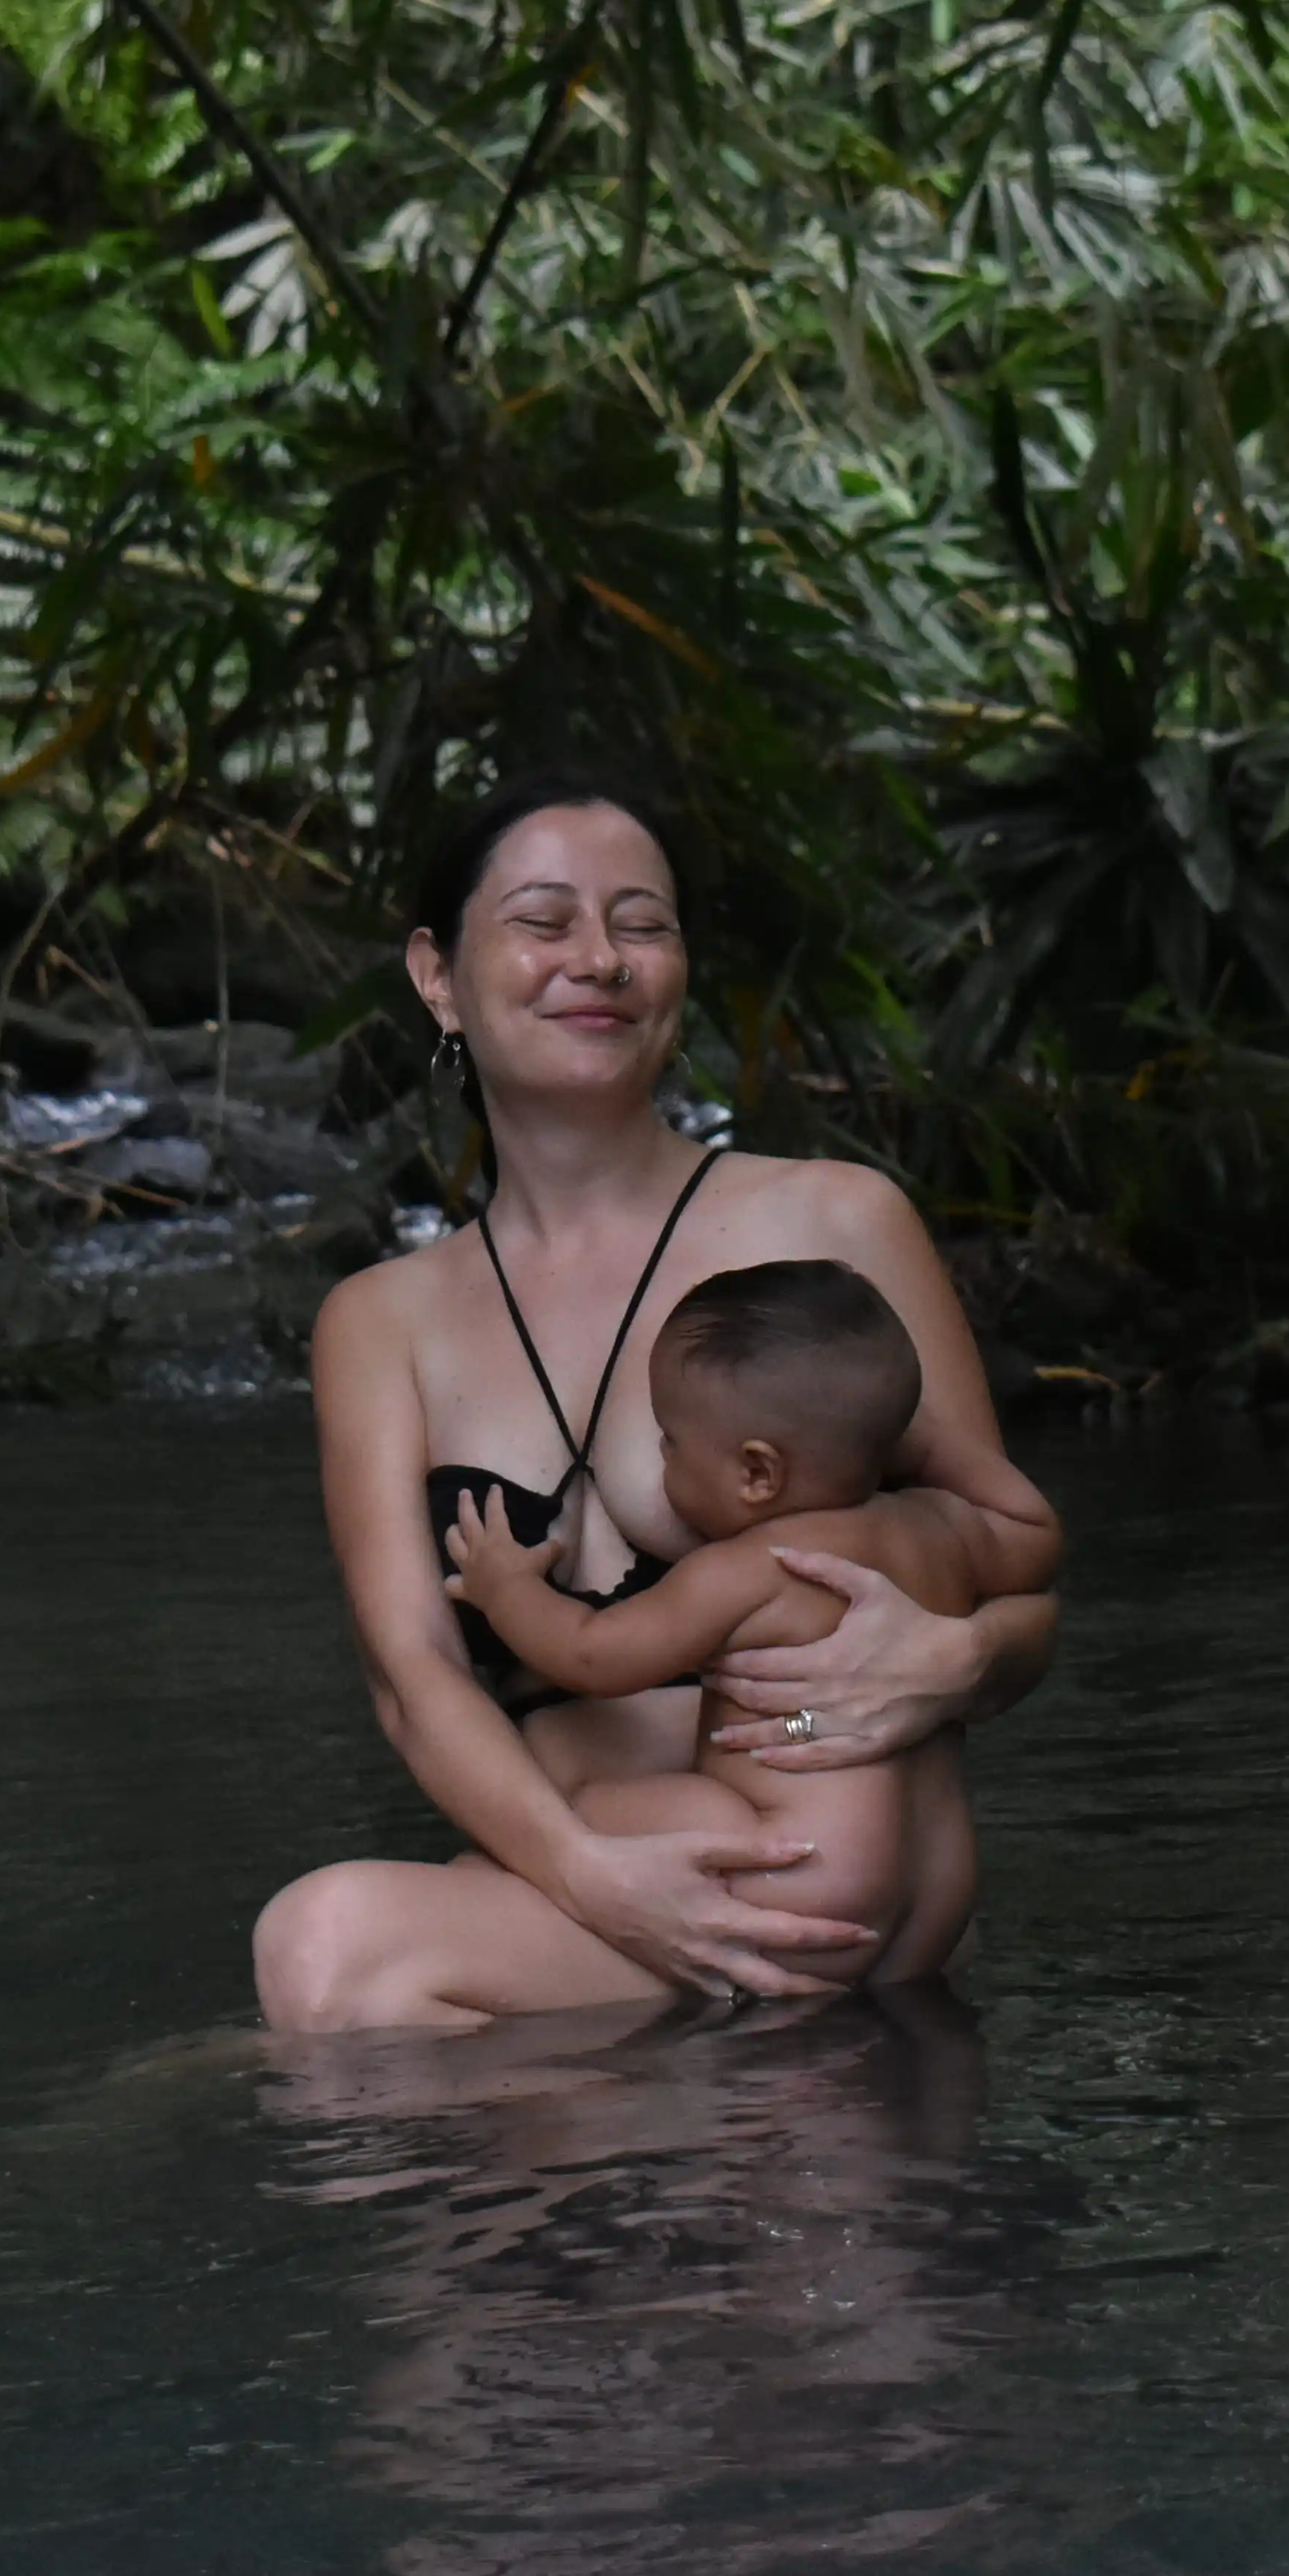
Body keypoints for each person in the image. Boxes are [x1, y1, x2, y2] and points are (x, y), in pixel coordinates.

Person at [254, 776, 1063, 2031]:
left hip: (818, 1880)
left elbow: (1011, 1579)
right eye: (544, 921)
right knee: (345, 2002)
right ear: (439, 974)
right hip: (588, 1898)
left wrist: (957, 1663)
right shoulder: (380, 1322)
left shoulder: (835, 1226)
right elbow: (413, 1683)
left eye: (643, 923)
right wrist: (593, 1877)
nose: (601, 959)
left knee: (327, 1949)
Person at [440, 1258, 1060, 1992]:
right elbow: (1037, 1529)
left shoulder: (751, 1568)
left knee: (586, 1798)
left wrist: (506, 1588)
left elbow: (591, 1654)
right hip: (937, 1894)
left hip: (799, 1869)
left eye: (670, 1440)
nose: (663, 1454)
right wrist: (907, 1438)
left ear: (758, 1474)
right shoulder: (943, 1529)